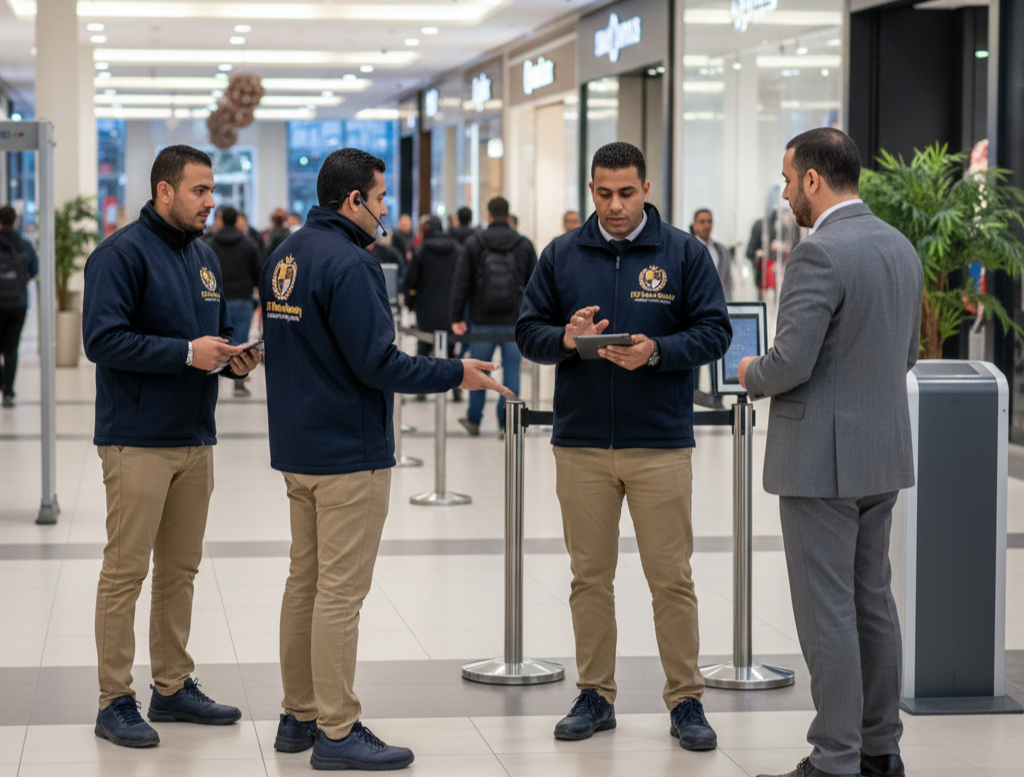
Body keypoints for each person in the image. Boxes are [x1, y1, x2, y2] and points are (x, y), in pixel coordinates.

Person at [260, 147, 513, 771]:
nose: (384, 212)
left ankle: (299, 716)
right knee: (339, 594)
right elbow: (380, 363)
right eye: (379, 199)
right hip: (348, 452)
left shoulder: (284, 255)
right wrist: (459, 372)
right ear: (353, 201)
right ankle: (338, 731)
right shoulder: (351, 264)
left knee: (306, 584)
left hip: (297, 447)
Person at [516, 141, 731, 751]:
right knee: (589, 577)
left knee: (671, 578)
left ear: (645, 188)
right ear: (591, 190)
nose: (615, 206)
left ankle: (686, 699)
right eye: (604, 193)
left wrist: (657, 352)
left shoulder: (685, 252)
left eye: (626, 193)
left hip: (660, 441)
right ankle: (595, 694)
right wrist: (564, 336)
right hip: (581, 441)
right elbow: (527, 331)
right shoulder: (561, 254)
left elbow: (714, 330)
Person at [737, 128, 922, 777]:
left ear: (814, 179)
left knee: (827, 611)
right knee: (872, 599)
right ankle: (881, 747)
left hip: (822, 461)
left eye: (789, 180)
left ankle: (833, 757)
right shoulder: (900, 247)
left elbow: (790, 362)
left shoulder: (819, 254)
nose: (786, 193)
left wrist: (749, 371)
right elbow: (907, 355)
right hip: (882, 452)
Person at [82, 144, 261, 749]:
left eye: (212, 191)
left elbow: (216, 333)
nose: (212, 202)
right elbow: (103, 340)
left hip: (194, 437)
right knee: (126, 570)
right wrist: (186, 353)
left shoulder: (205, 258)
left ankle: (172, 684)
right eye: (200, 190)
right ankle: (114, 699)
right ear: (165, 191)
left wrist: (234, 359)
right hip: (137, 440)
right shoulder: (119, 254)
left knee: (180, 570)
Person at [450, 196, 537, 436]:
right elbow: (535, 285)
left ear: (488, 215)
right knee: (512, 373)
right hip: (514, 322)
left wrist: (457, 316)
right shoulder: (524, 244)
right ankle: (506, 424)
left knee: (477, 373)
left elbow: (462, 282)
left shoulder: (474, 243)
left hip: (482, 321)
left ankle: (474, 420)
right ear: (508, 216)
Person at [206, 206, 263, 397]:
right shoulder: (248, 244)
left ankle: (212, 383)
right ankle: (239, 384)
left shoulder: (209, 244)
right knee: (240, 345)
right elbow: (258, 272)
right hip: (243, 300)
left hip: (215, 300)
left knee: (216, 342)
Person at [403, 215, 463, 366]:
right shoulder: (457, 249)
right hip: (451, 311)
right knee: (450, 353)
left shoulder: (421, 251)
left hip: (426, 311)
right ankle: (455, 385)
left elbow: (411, 281)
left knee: (423, 350)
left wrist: (410, 304)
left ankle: (421, 387)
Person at [0, 205, 38, 408]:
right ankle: (8, 392)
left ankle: (3, 382)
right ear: (15, 221)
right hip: (18, 304)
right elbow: (34, 268)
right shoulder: (24, 245)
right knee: (11, 348)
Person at [691, 208, 731, 300]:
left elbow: (727, 281)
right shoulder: (687, 249)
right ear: (695, 225)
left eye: (709, 221)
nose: (706, 225)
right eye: (702, 222)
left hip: (717, 301)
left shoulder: (722, 250)